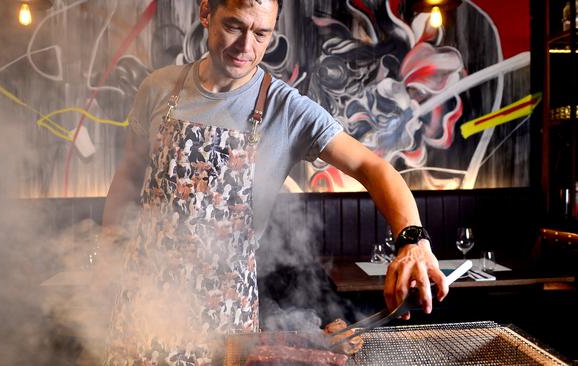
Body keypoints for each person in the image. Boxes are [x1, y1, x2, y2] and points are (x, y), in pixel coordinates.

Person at [98, 0, 448, 364]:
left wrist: (413, 241)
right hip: (144, 306)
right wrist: (109, 254)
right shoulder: (158, 89)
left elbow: (373, 168)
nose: (246, 47)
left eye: (261, 33)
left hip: (225, 322)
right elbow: (128, 175)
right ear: (206, 13)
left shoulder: (287, 109)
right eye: (234, 26)